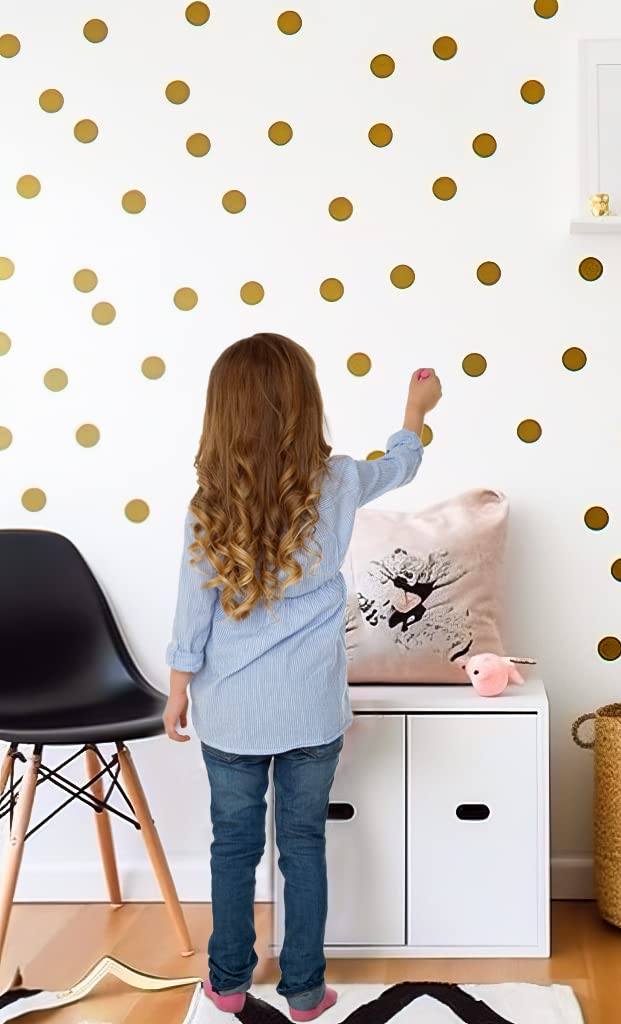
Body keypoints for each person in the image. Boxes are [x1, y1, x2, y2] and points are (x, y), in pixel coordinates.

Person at [163, 333, 441, 1022]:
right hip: (312, 711)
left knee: (233, 847)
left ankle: (228, 984)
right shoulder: (338, 482)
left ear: (221, 414)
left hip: (231, 713)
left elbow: (192, 609)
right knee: (303, 844)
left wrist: (177, 688)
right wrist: (415, 411)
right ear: (305, 405)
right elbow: (400, 466)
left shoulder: (208, 506)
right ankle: (306, 992)